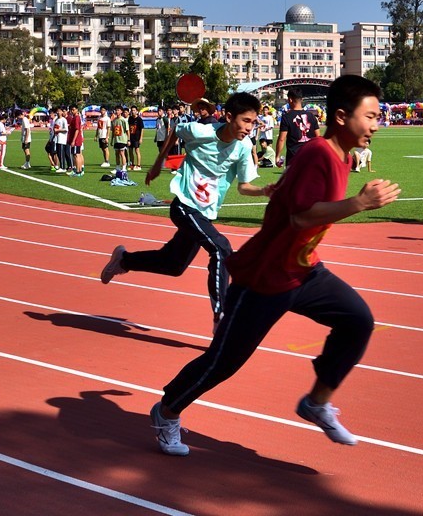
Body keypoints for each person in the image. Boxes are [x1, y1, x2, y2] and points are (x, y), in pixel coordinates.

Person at [147, 76, 399, 456]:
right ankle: (167, 411)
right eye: (372, 116)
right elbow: (300, 217)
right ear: (343, 117)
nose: (377, 124)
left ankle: (316, 402)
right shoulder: (318, 154)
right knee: (222, 363)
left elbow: (290, 203)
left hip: (304, 269)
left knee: (357, 320)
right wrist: (357, 204)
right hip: (264, 279)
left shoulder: (342, 156)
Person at [100, 92, 275, 330]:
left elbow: (244, 187)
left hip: (204, 213)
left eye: (253, 122)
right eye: (245, 120)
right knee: (221, 248)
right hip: (184, 205)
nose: (249, 127)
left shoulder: (244, 147)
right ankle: (221, 315)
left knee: (173, 265)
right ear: (229, 116)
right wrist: (158, 164)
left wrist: (265, 191)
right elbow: (176, 132)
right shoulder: (201, 131)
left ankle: (124, 259)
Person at [275, 89, 320, 167]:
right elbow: (318, 137)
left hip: (294, 157)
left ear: (290, 99)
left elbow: (282, 139)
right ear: (301, 99)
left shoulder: (287, 117)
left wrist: (277, 156)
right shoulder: (311, 116)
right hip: (310, 157)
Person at [68, 105, 85, 176]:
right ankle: (79, 170)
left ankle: (78, 171)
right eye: (71, 110)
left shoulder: (77, 118)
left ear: (77, 110)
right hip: (77, 139)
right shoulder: (74, 118)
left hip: (76, 140)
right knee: (78, 154)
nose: (72, 111)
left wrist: (73, 140)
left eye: (73, 109)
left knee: (76, 155)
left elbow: (77, 130)